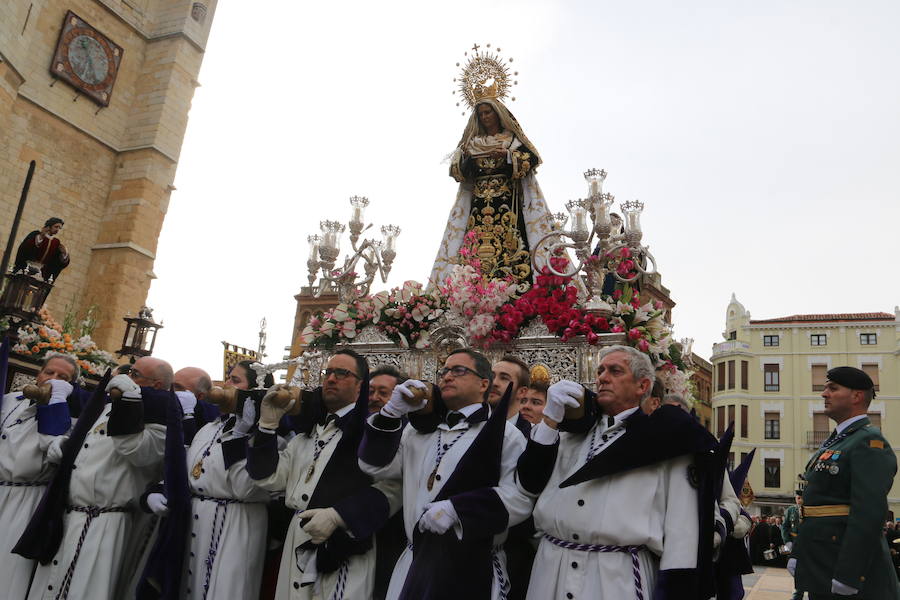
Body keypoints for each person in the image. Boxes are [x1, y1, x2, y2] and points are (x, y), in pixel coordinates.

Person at [517, 345, 718, 599]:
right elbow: (529, 484)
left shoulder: (670, 440)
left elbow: (682, 531)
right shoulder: (570, 431)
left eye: (615, 371)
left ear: (642, 386)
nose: (602, 377)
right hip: (552, 570)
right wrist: (549, 421)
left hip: (616, 577)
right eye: (600, 371)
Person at [359, 348, 533, 599]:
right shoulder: (417, 432)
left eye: (459, 370)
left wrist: (459, 510)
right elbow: (374, 467)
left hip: (470, 565)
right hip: (415, 561)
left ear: (484, 383)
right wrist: (389, 415)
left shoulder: (506, 435)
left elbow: (519, 498)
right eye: (445, 371)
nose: (448, 376)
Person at [247, 349, 400, 599]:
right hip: (296, 539)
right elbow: (269, 479)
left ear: (361, 386)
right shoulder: (307, 435)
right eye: (328, 372)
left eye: (342, 373)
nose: (331, 379)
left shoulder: (372, 434)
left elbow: (393, 488)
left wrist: (339, 515)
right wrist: (266, 427)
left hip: (343, 543)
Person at [22, 355, 171, 600]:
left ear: (156, 385)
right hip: (67, 516)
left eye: (134, 374)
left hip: (103, 521)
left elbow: (136, 451)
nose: (125, 377)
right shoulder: (104, 408)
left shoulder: (160, 422)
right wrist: (64, 446)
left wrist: (131, 401)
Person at [790, 366, 900, 599]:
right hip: (822, 562)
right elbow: (812, 508)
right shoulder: (837, 442)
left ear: (857, 396)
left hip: (846, 568)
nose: (824, 393)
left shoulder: (868, 441)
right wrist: (798, 553)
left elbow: (868, 514)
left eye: (833, 388)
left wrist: (850, 574)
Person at [429, 97, 554, 287]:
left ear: (498, 114)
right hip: (477, 208)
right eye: (481, 114)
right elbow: (457, 172)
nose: (485, 117)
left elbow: (532, 159)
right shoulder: (472, 143)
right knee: (472, 249)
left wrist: (508, 156)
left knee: (512, 248)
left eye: (488, 112)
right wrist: (467, 159)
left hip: (507, 206)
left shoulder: (511, 141)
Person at [0, 353, 77, 599]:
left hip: (25, 499)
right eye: (49, 372)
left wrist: (54, 404)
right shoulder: (12, 400)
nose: (53, 379)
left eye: (63, 377)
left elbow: (55, 452)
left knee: (7, 569)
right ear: (38, 373)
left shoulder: (70, 416)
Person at [14, 217, 70, 282]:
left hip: (40, 274)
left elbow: (57, 263)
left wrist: (64, 254)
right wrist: (40, 237)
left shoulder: (56, 242)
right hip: (25, 267)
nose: (57, 229)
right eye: (56, 227)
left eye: (59, 228)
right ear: (49, 226)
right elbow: (25, 248)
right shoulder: (35, 234)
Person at [489, 354, 531, 437]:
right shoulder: (468, 425)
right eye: (492, 376)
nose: (494, 383)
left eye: (504, 378)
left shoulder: (531, 437)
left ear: (522, 392)